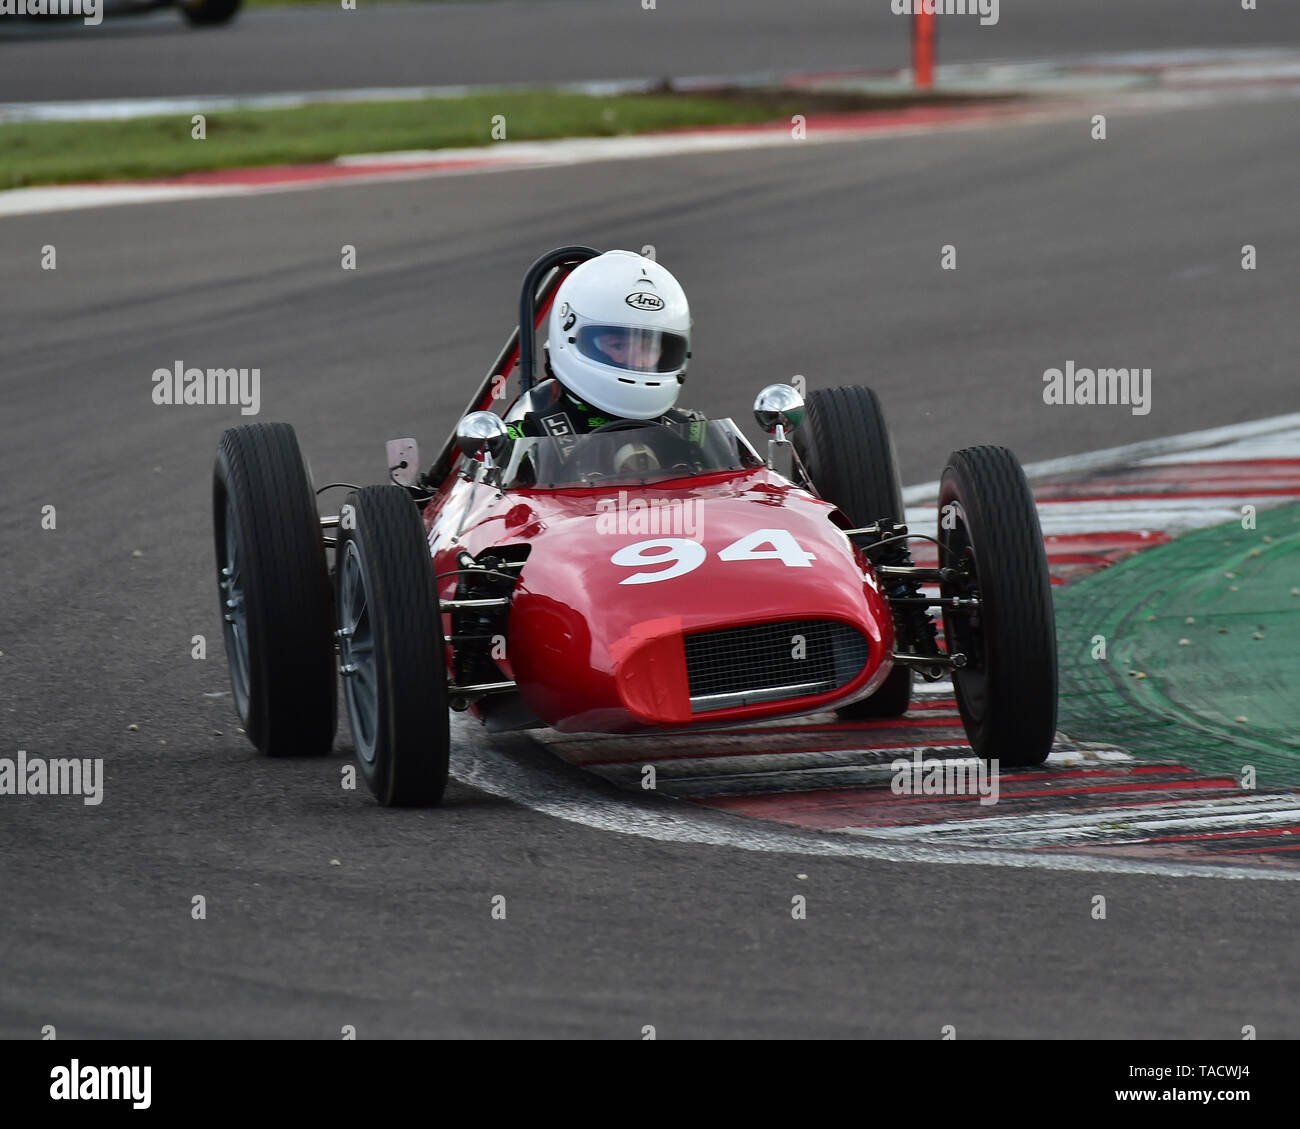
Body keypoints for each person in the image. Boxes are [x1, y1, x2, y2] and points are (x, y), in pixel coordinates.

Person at [505, 250, 706, 473]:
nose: (636, 361)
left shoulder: (691, 432)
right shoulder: (527, 436)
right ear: (570, 338)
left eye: (649, 347)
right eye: (618, 346)